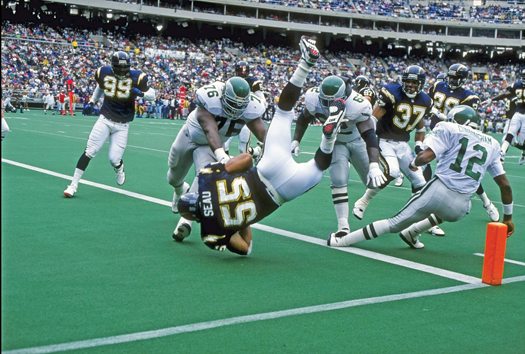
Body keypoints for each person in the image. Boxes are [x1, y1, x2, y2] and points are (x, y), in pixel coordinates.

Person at [176, 36, 346, 255]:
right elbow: (246, 160)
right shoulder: (207, 176)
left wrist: (239, 222)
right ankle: (305, 64)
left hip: (280, 194)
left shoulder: (211, 234)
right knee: (284, 113)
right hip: (265, 169)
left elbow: (246, 248)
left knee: (318, 169)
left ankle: (328, 139)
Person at [328, 105, 514, 249]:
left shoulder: (449, 127)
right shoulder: (493, 143)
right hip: (460, 208)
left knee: (394, 223)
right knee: (460, 207)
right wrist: (507, 218)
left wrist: (413, 163)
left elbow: (427, 157)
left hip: (438, 190)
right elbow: (505, 185)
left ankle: (343, 241)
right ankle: (413, 233)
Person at [168, 74, 267, 241]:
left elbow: (264, 134)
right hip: (191, 136)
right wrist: (221, 155)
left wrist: (274, 150)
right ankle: (179, 190)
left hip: (210, 146)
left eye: (240, 105)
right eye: (233, 103)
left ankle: (185, 221)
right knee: (173, 176)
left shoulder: (251, 108)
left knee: (205, 177)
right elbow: (209, 130)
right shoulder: (209, 98)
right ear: (223, 96)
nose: (236, 109)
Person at [351, 65, 445, 237]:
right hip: (384, 141)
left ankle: (423, 222)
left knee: (421, 182)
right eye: (407, 82)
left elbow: (420, 125)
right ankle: (363, 202)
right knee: (393, 171)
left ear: (421, 84)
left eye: (414, 83)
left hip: (402, 145)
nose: (410, 86)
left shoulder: (424, 100)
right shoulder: (391, 93)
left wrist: (418, 144)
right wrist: (368, 138)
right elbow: (373, 117)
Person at [290, 74, 385, 238]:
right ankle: (343, 226)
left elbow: (369, 134)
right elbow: (304, 118)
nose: (326, 106)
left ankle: (362, 201)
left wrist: (374, 165)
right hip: (335, 142)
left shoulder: (357, 104)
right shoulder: (313, 97)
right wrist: (296, 140)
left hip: (357, 140)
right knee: (338, 181)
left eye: (331, 101)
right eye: (324, 101)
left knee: (374, 183)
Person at [63, 51, 155, 197]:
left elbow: (153, 95)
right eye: (119, 68)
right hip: (105, 119)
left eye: (125, 69)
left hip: (122, 124)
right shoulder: (103, 72)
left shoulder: (137, 77)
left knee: (113, 159)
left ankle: (119, 168)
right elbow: (100, 87)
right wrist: (92, 101)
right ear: (113, 66)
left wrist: (142, 94)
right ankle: (73, 185)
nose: (122, 71)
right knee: (90, 151)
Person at [428, 63, 500, 222]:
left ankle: (486, 203)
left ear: (463, 79)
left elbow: (464, 123)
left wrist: (442, 116)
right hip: (436, 133)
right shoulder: (438, 85)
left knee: (465, 171)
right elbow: (427, 102)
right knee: (428, 165)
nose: (452, 80)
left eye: (455, 78)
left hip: (455, 139)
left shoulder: (470, 97)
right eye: (451, 76)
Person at [482, 68, 525, 165]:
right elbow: (505, 95)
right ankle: (502, 153)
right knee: (510, 133)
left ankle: (524, 153)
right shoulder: (517, 86)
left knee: (522, 141)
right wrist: (491, 100)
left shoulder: (517, 86)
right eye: (523, 76)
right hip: (517, 114)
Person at [223, 61, 267, 156]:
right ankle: (225, 165)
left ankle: (255, 153)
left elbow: (262, 101)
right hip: (232, 117)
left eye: (245, 71)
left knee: (243, 150)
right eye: (240, 71)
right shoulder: (232, 81)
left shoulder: (253, 82)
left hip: (246, 118)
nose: (243, 73)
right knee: (224, 145)